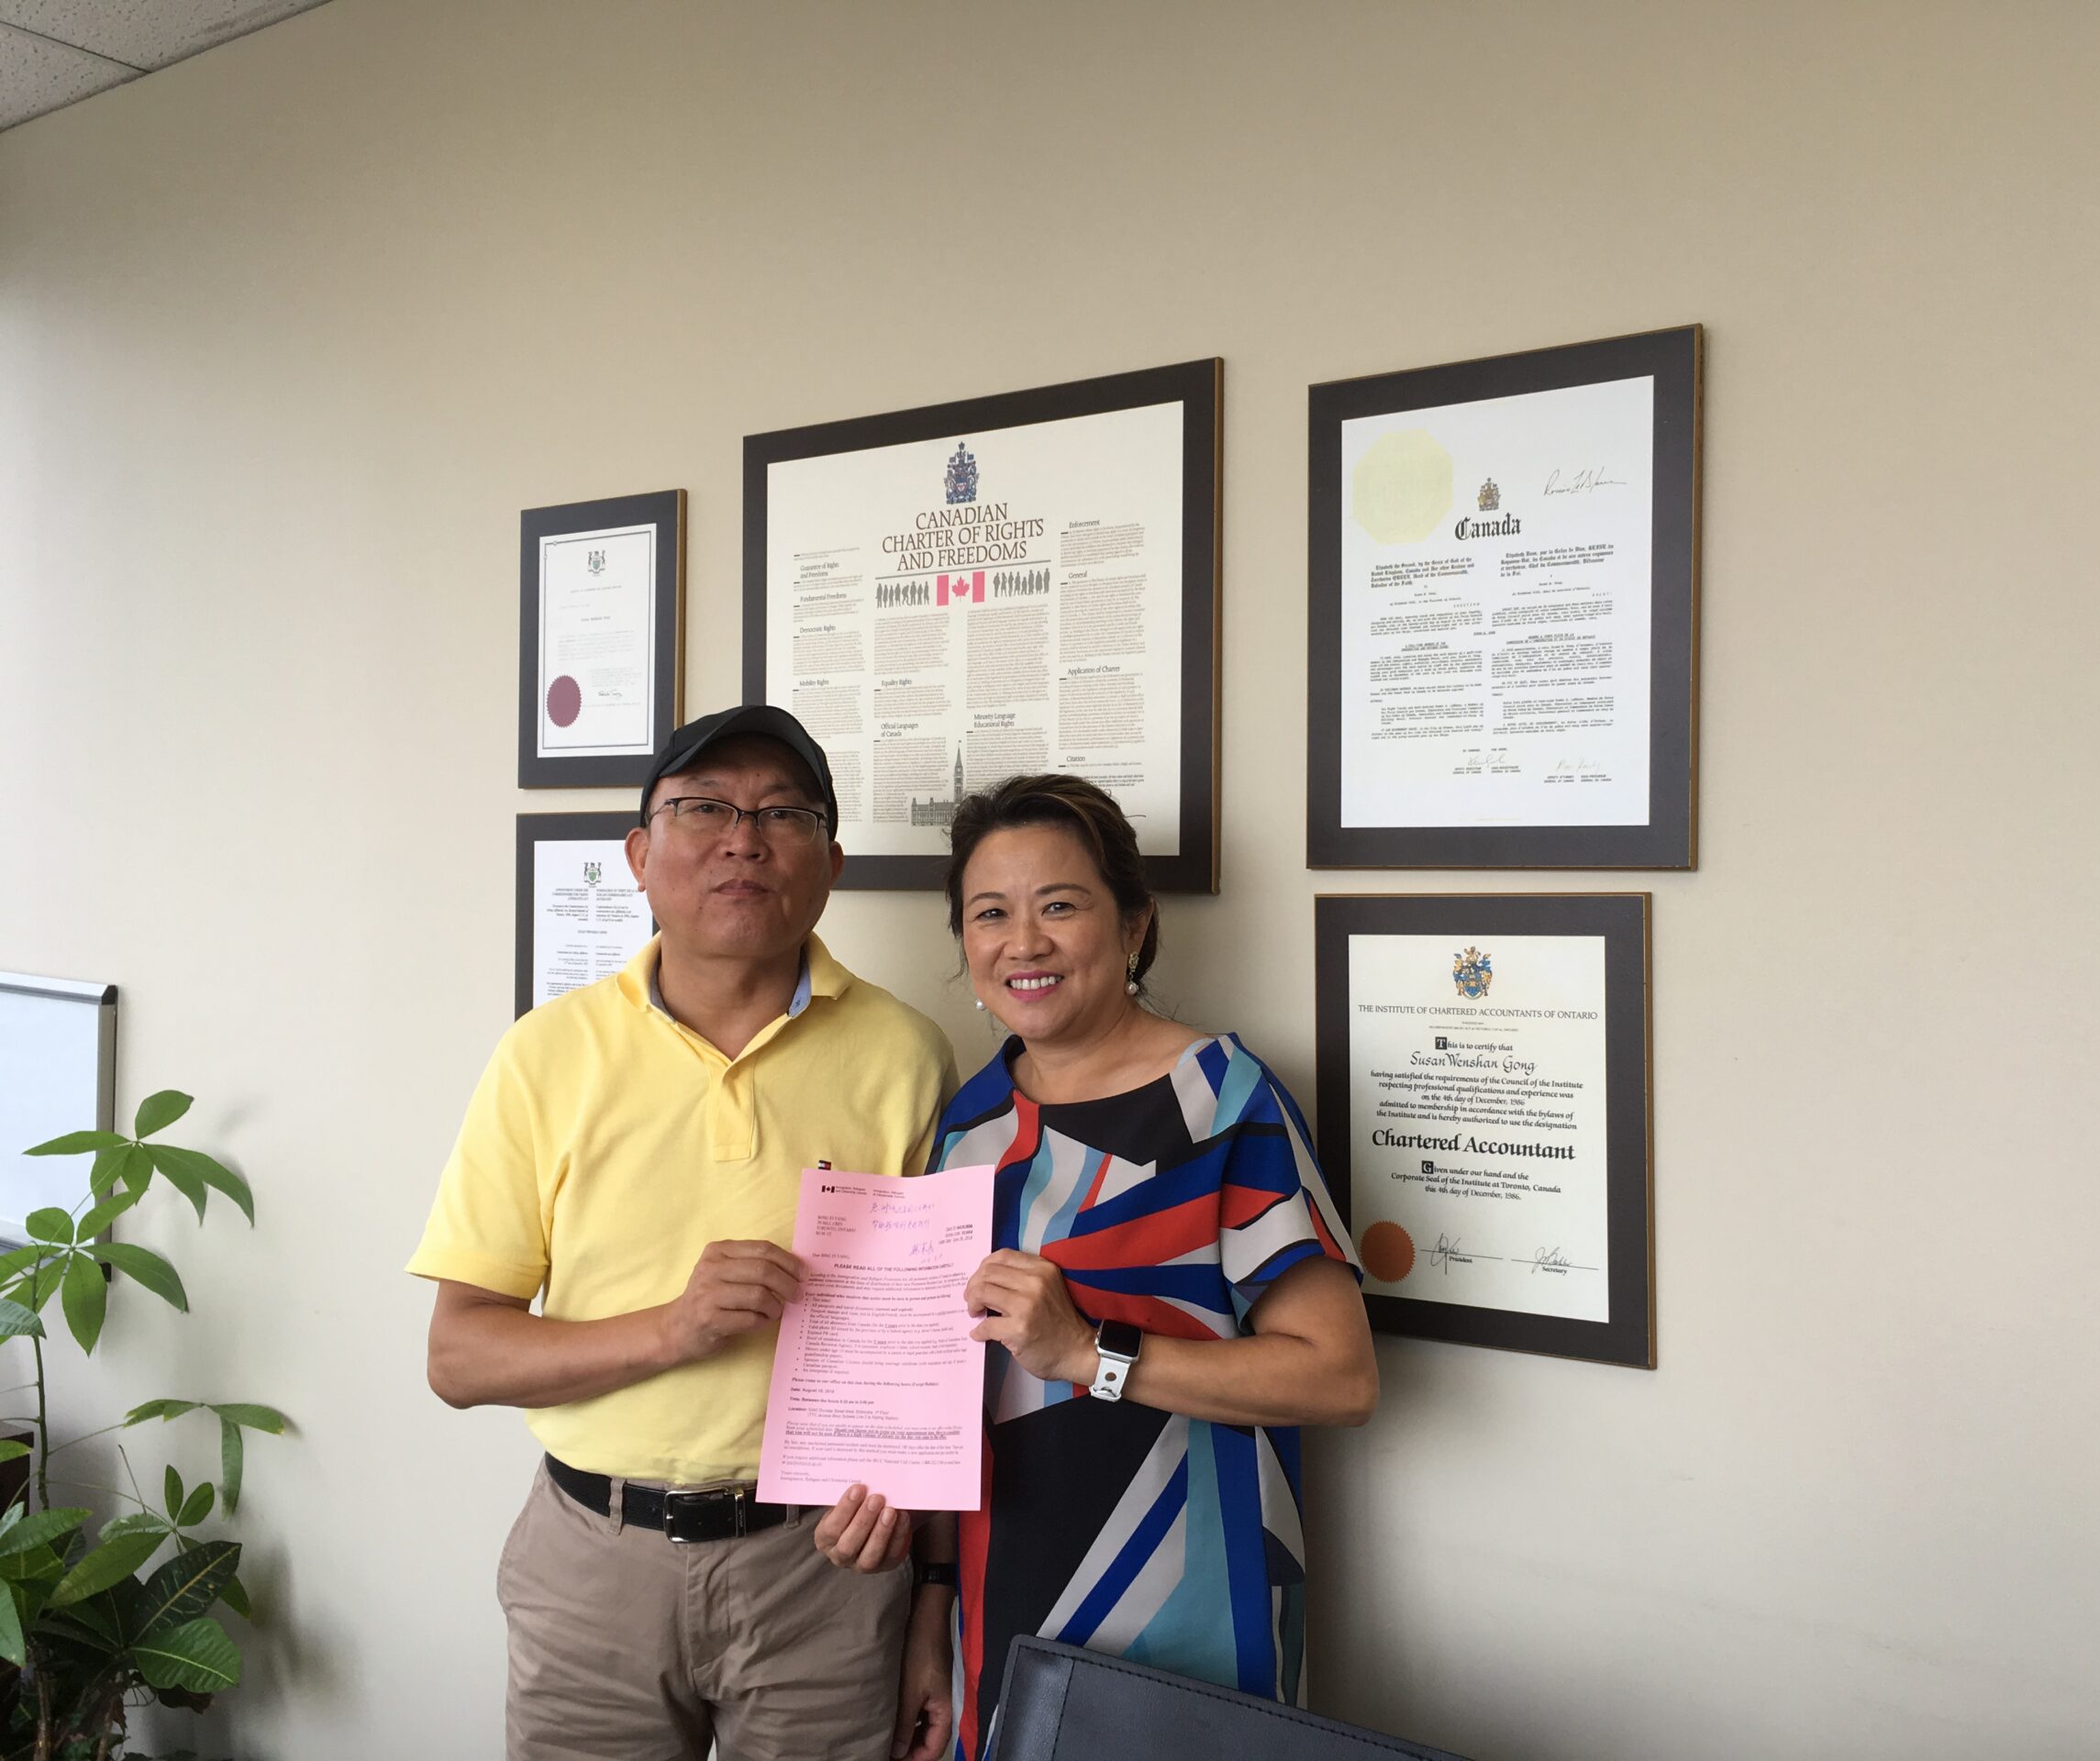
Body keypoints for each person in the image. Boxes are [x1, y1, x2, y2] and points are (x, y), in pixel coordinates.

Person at [407, 704, 960, 1761]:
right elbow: (459, 1358)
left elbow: (942, 1354)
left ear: (831, 863)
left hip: (826, 1570)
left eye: (783, 814)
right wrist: (672, 1328)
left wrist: (931, 1595)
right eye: (705, 808)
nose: (744, 839)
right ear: (638, 855)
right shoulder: (544, 1055)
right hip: (593, 1565)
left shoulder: (908, 1055)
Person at [814, 775, 1378, 1761]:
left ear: (1134, 926)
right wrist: (929, 1608)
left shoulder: (1223, 1103)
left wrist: (1090, 1353)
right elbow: (950, 1393)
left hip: (1192, 1597)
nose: (1022, 943)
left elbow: (1339, 1378)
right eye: (990, 913)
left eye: (1060, 906)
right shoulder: (969, 1126)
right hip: (998, 1593)